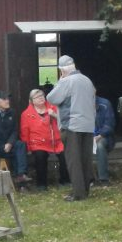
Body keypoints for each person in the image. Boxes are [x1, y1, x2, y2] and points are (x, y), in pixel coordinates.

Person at [46, 55, 96, 201]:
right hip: (88, 124)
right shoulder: (87, 80)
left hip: (72, 125)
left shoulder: (66, 81)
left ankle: (78, 193)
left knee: (74, 160)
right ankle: (85, 190)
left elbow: (52, 98)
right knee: (85, 159)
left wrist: (60, 81)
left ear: (62, 70)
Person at [19, 89, 68, 190]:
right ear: (31, 101)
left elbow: (65, 121)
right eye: (37, 97)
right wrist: (27, 148)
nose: (41, 98)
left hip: (57, 142)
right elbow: (25, 132)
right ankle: (42, 184)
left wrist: (54, 115)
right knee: (40, 155)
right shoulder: (26, 114)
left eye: (42, 95)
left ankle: (65, 181)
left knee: (65, 154)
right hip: (38, 144)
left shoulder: (53, 107)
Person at [94, 94, 116, 185]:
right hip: (87, 137)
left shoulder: (105, 104)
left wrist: (99, 136)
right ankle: (87, 179)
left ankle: (103, 179)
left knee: (99, 145)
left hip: (104, 137)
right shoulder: (80, 105)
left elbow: (109, 125)